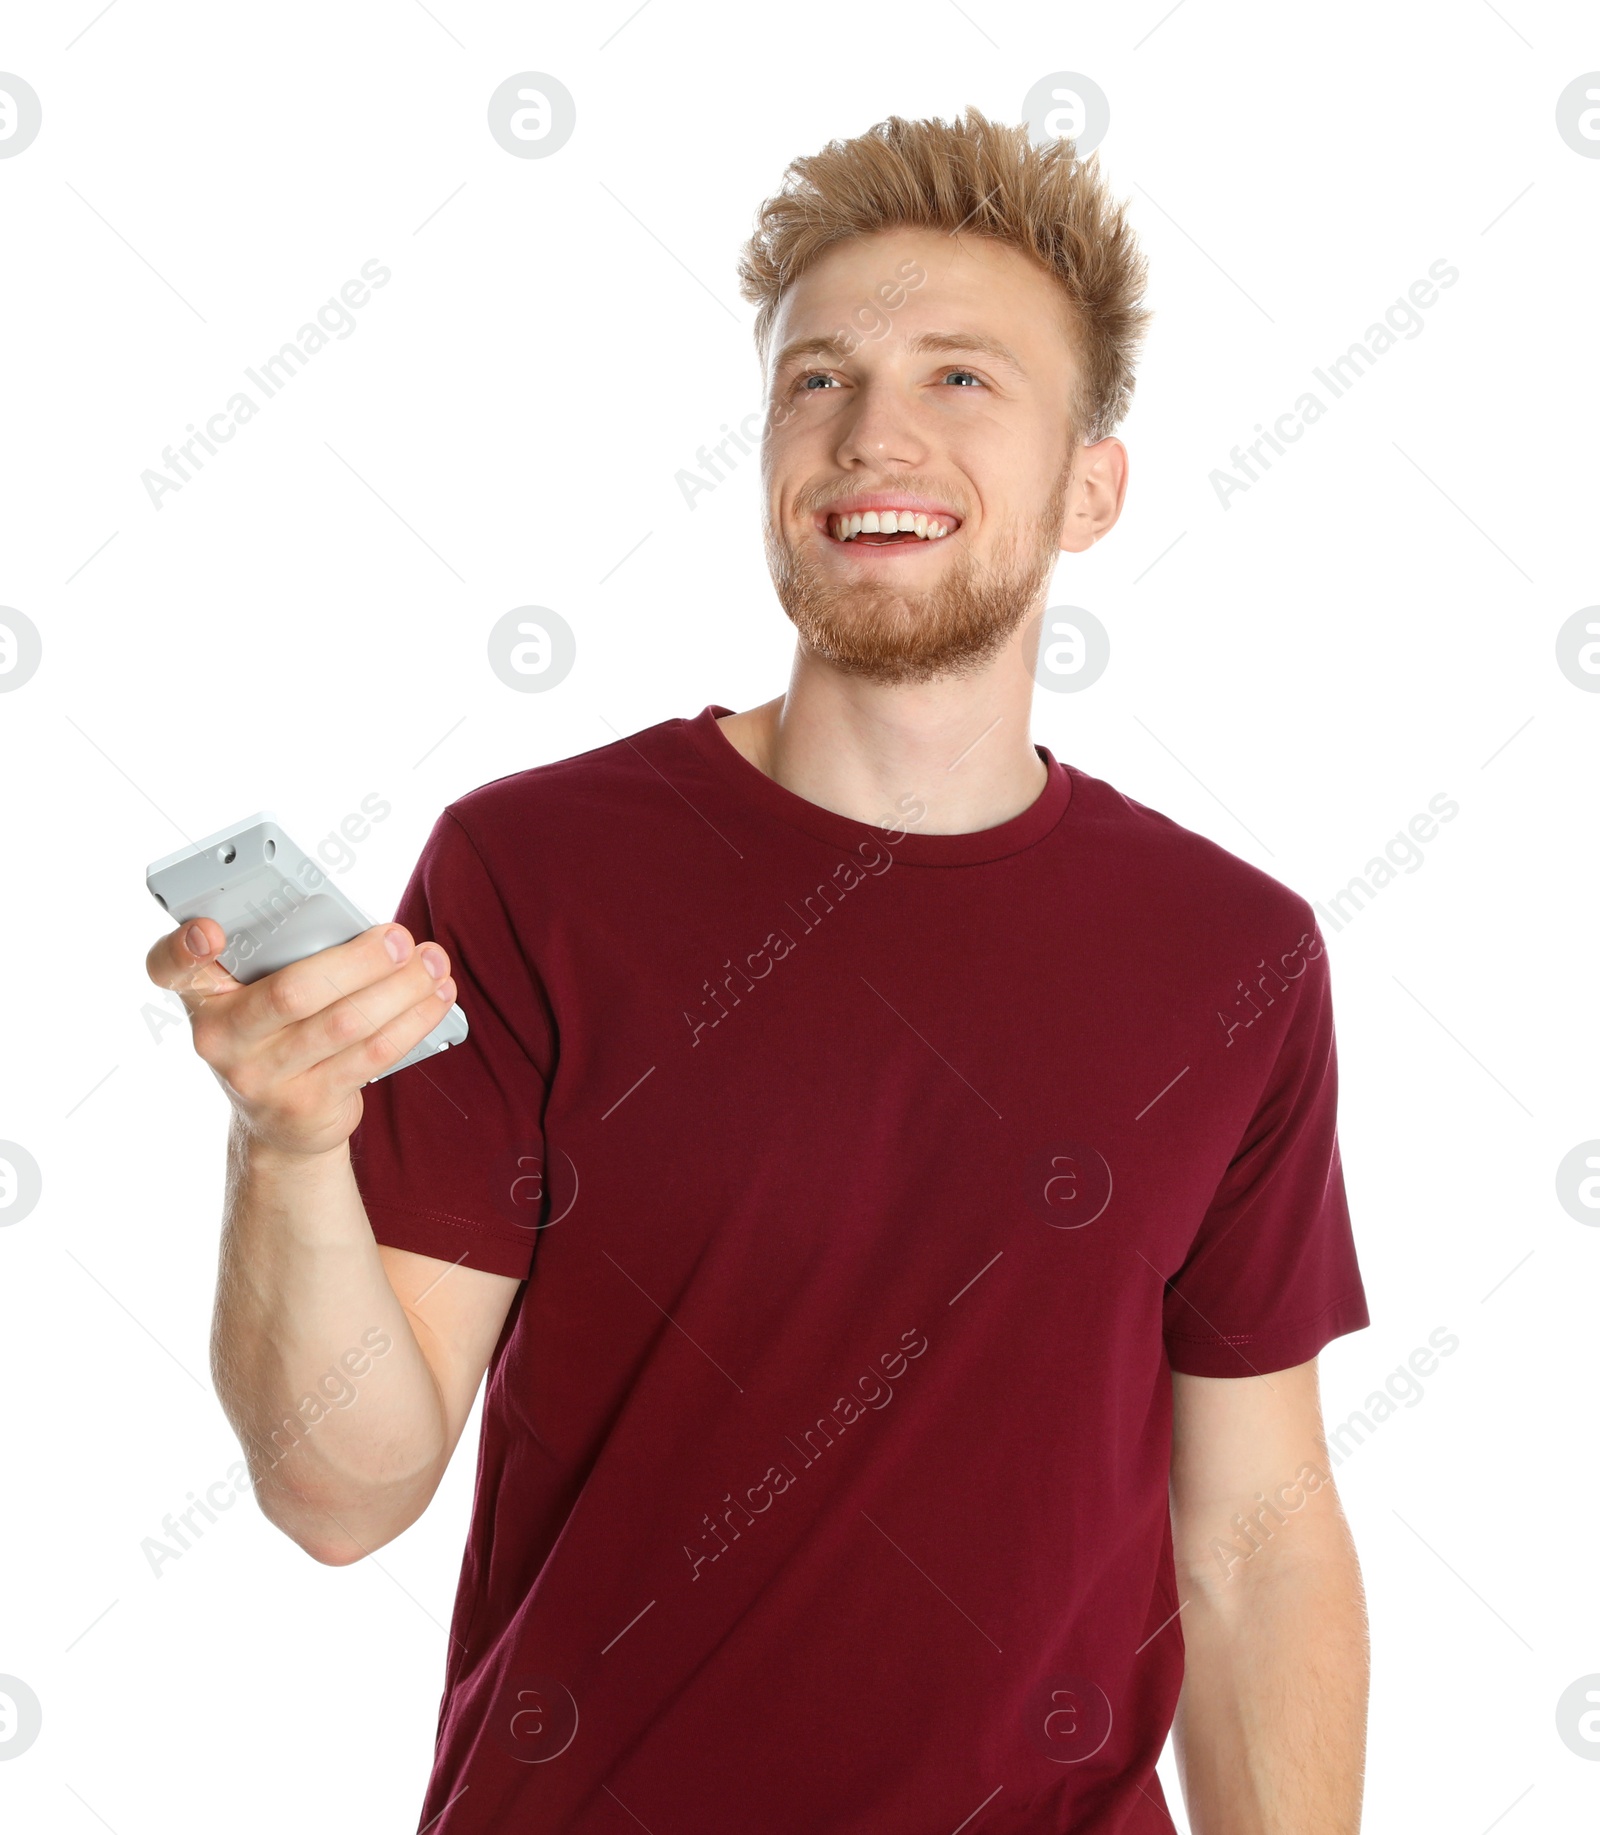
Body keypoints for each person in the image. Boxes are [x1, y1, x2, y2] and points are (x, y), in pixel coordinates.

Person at [148, 107, 1371, 1834]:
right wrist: (286, 1154)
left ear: (1091, 485)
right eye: (818, 381)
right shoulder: (533, 873)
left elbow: (1257, 1538)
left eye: (963, 379)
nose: (875, 432)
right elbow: (344, 1491)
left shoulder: (1235, 955)